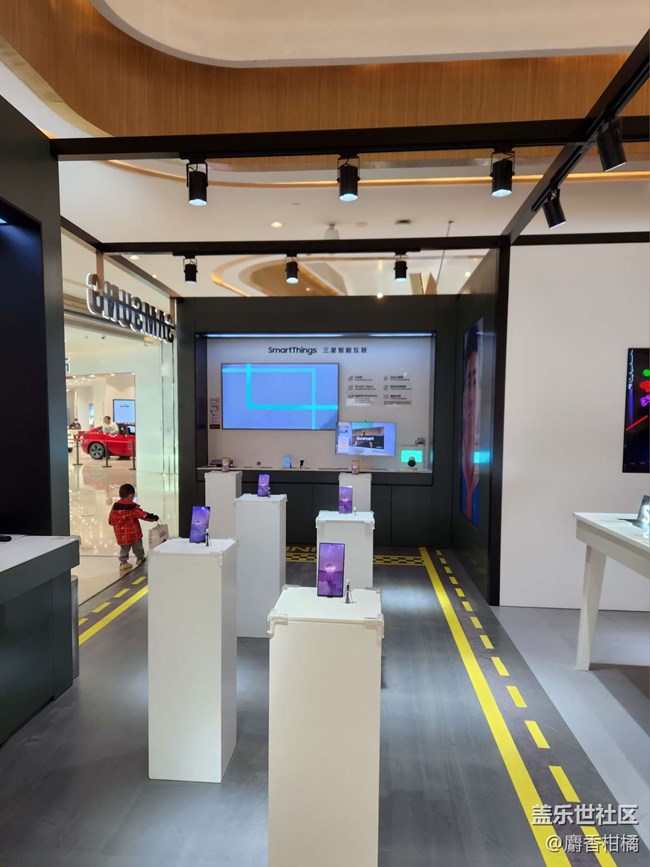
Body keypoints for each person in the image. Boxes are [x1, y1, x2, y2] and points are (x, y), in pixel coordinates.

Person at [108, 483, 159, 574]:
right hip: (134, 533)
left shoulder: (115, 506)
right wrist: (153, 517)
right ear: (130, 495)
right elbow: (143, 515)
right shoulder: (132, 507)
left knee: (124, 549)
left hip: (121, 535)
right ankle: (140, 559)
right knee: (138, 547)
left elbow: (111, 520)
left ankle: (123, 563)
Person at [460, 324, 481, 525]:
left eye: (476, 383)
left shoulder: (482, 476)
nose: (471, 396)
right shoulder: (460, 473)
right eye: (469, 382)